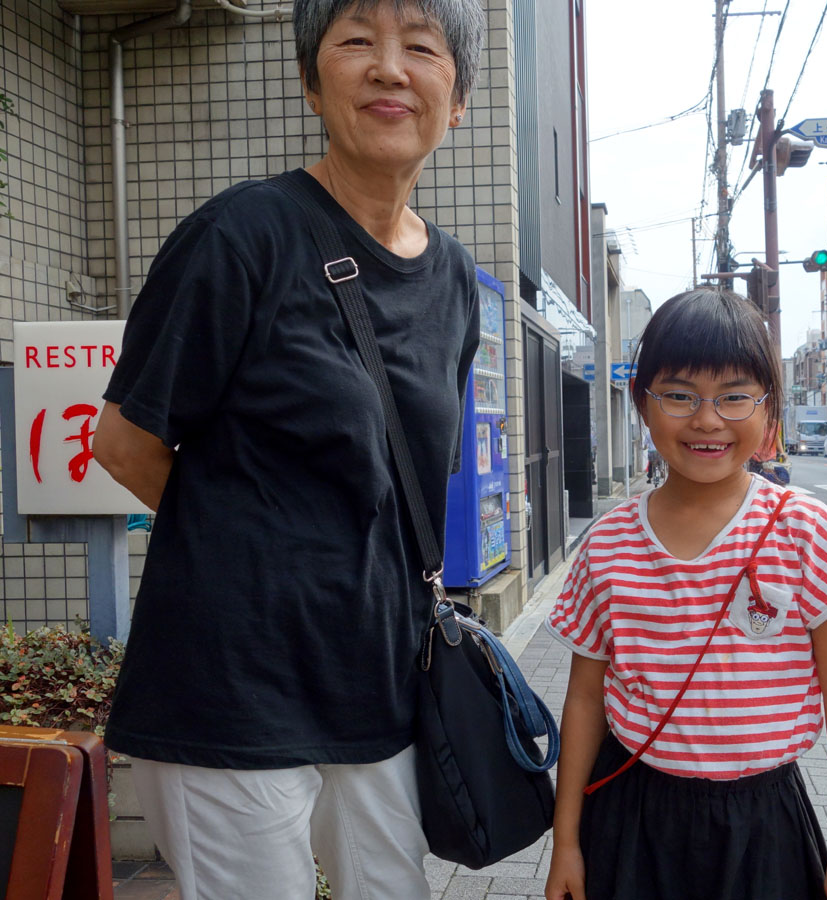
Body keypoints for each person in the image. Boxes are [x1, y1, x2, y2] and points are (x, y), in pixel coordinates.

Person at [91, 2, 486, 898]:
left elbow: (405, 483)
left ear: (456, 99)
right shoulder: (242, 235)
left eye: (420, 49)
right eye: (356, 44)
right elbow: (124, 441)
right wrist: (250, 543)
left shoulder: (454, 277)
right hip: (231, 681)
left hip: (378, 682)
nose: (390, 69)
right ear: (313, 81)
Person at [543, 290, 827, 900]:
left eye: (733, 396)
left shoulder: (805, 530)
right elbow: (586, 700)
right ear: (643, 405)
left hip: (763, 823)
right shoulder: (608, 542)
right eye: (678, 394)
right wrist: (566, 842)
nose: (706, 419)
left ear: (769, 412)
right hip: (630, 810)